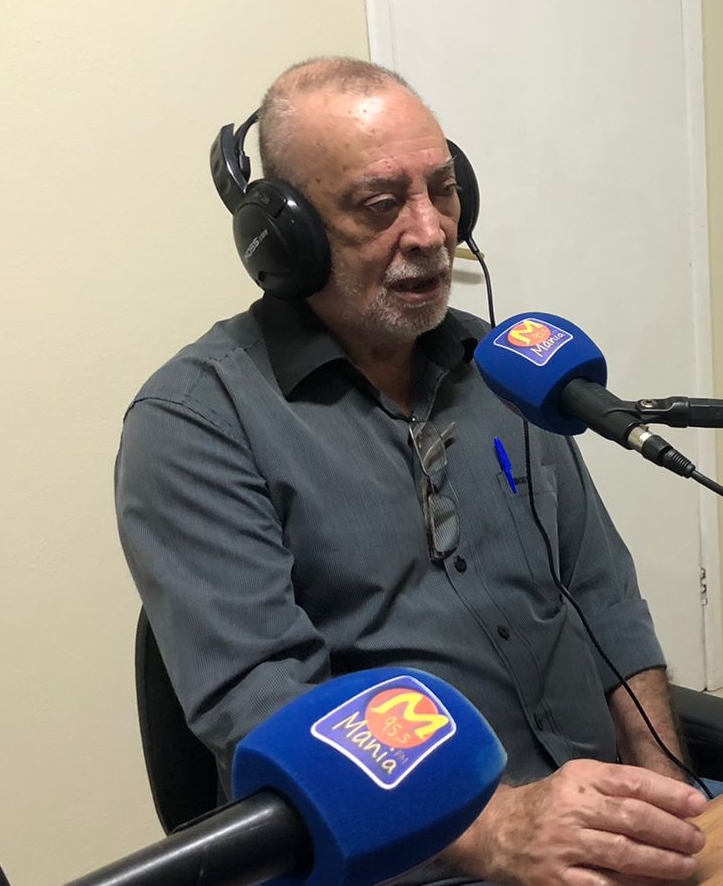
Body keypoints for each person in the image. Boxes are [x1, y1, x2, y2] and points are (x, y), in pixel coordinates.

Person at [115, 56, 706, 885]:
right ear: (284, 236)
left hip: (600, 822)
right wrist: (496, 831)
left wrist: (674, 801)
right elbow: (266, 707)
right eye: (381, 204)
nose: (431, 232)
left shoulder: (508, 366)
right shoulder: (195, 423)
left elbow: (601, 594)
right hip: (412, 857)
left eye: (443, 189)